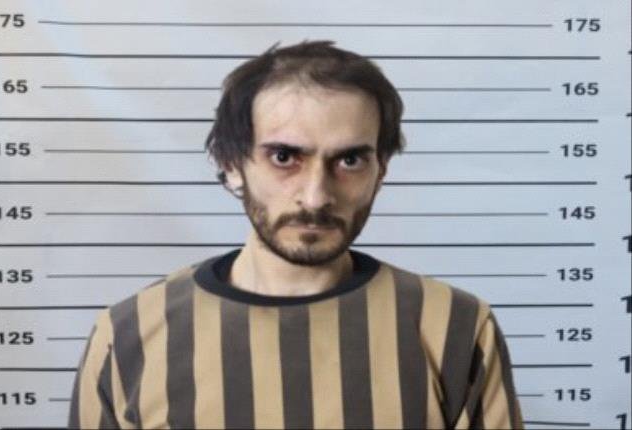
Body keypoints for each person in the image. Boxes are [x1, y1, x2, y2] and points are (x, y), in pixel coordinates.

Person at [68, 39, 524, 429]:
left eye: (349, 160)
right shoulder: (128, 334)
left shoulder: (455, 326)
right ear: (231, 164)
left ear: (381, 170)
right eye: (285, 157)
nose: (316, 196)